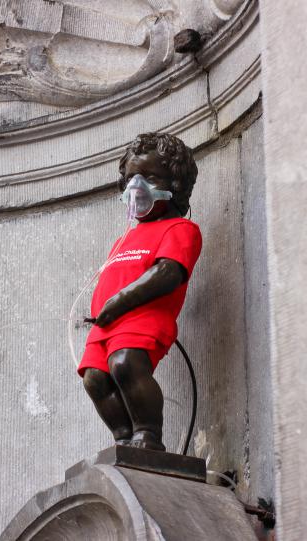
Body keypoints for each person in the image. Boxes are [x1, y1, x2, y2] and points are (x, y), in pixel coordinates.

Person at [79, 132, 202, 452]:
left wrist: (120, 301)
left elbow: (167, 272)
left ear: (174, 184)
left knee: (125, 363)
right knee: (95, 377)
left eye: (148, 177)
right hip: (107, 322)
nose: (137, 185)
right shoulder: (124, 239)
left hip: (143, 316)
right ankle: (124, 440)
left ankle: (148, 435)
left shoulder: (180, 229)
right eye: (132, 176)